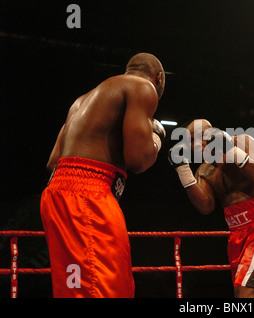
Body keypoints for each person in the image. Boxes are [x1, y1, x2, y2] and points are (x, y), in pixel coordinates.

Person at [40, 53, 166, 298]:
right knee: (109, 288)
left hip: (58, 195)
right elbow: (138, 161)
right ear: (158, 78)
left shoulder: (81, 101)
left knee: (75, 289)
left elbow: (52, 162)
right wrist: (156, 140)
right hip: (88, 195)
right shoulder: (144, 87)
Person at [168, 119, 254, 298]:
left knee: (245, 292)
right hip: (237, 233)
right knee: (251, 294)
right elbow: (206, 207)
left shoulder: (242, 142)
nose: (196, 144)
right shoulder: (203, 170)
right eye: (190, 141)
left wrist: (232, 151)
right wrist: (182, 170)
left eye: (199, 137)